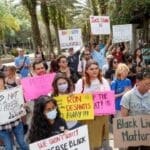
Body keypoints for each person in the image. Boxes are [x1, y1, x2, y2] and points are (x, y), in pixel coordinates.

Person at [75, 60, 110, 150]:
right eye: (91, 69)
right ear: (86, 70)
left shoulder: (103, 81)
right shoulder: (81, 82)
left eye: (96, 68)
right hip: (87, 117)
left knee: (101, 141)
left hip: (102, 116)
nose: (94, 71)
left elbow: (109, 97)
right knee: (89, 141)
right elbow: (76, 99)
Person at [121, 72, 150, 150]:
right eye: (146, 84)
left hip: (148, 134)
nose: (148, 87)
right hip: (133, 135)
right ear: (137, 82)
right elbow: (123, 117)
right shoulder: (127, 96)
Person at [0, 72, 28, 150]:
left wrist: (23, 105)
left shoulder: (13, 90)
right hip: (2, 128)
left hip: (16, 123)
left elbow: (20, 102)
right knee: (8, 147)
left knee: (22, 143)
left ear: (3, 80)